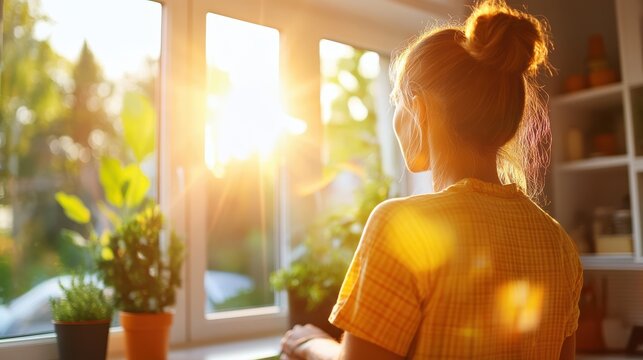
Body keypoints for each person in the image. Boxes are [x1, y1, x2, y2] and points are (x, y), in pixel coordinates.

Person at [280, 0, 582, 359]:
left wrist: (309, 344)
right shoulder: (559, 245)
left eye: (397, 101)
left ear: (419, 110)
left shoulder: (400, 227)